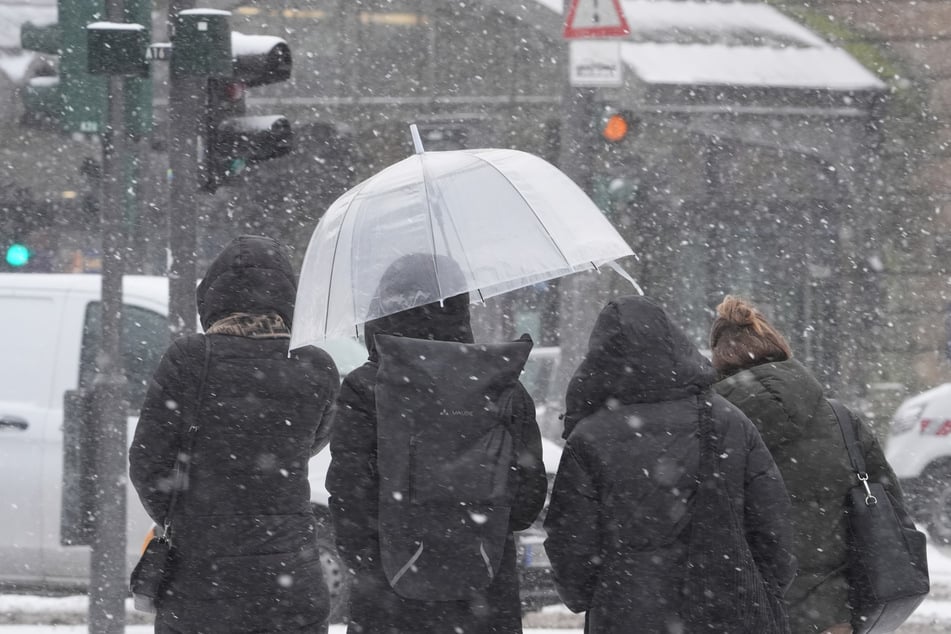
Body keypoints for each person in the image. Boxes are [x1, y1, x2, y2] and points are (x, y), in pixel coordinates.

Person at [544, 295, 796, 633]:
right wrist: (763, 588)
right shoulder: (727, 420)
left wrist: (603, 596)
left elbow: (571, 544)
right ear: (674, 342)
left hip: (626, 616)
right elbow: (772, 526)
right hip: (726, 609)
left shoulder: (588, 438)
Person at [326, 253, 548, 634]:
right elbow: (527, 504)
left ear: (382, 311)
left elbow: (349, 503)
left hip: (389, 603)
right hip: (485, 598)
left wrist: (378, 566)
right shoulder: (504, 389)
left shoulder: (367, 388)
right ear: (461, 307)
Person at [130, 235, 340, 634]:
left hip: (200, 580)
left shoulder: (189, 357)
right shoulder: (316, 364)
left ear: (212, 296)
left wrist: (184, 516)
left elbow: (147, 461)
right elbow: (315, 440)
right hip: (291, 577)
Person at [709, 295, 904, 634]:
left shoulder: (711, 427)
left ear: (719, 363)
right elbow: (890, 507)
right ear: (780, 349)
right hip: (830, 613)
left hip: (744, 610)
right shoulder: (842, 420)